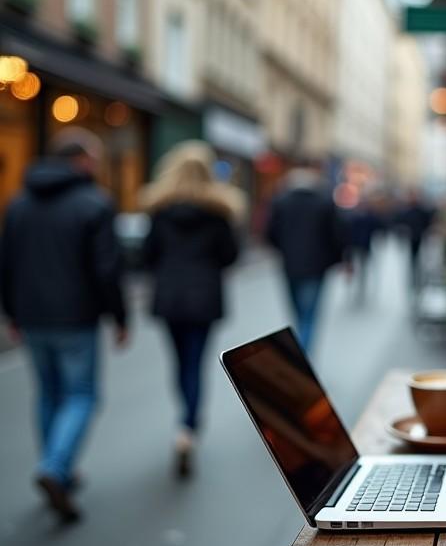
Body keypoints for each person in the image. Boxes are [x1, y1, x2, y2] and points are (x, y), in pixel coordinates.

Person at [0, 128, 127, 522]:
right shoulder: (94, 203)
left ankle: (59, 468)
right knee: (82, 394)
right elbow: (107, 269)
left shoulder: (19, 204)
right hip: (76, 318)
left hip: (33, 316)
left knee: (49, 394)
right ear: (83, 161)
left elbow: (7, 263)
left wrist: (12, 313)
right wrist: (120, 317)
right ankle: (55, 468)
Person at [139, 141, 244, 478]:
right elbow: (230, 256)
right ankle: (188, 428)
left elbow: (147, 255)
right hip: (204, 297)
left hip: (169, 296)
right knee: (196, 363)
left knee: (179, 361)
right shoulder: (218, 212)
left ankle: (184, 420)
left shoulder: (159, 210)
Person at [266, 164, 346, 353]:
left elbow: (270, 233)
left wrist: (285, 250)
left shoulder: (281, 201)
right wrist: (334, 259)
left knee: (298, 312)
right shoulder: (324, 202)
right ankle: (303, 358)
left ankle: (299, 355)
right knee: (309, 315)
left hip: (291, 265)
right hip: (316, 268)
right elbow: (337, 235)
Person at [397, 189, 436, 290]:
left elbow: (428, 221)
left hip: (420, 236)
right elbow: (402, 222)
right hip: (412, 237)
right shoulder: (407, 210)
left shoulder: (422, 210)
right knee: (413, 258)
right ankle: (414, 277)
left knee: (421, 258)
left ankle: (419, 277)